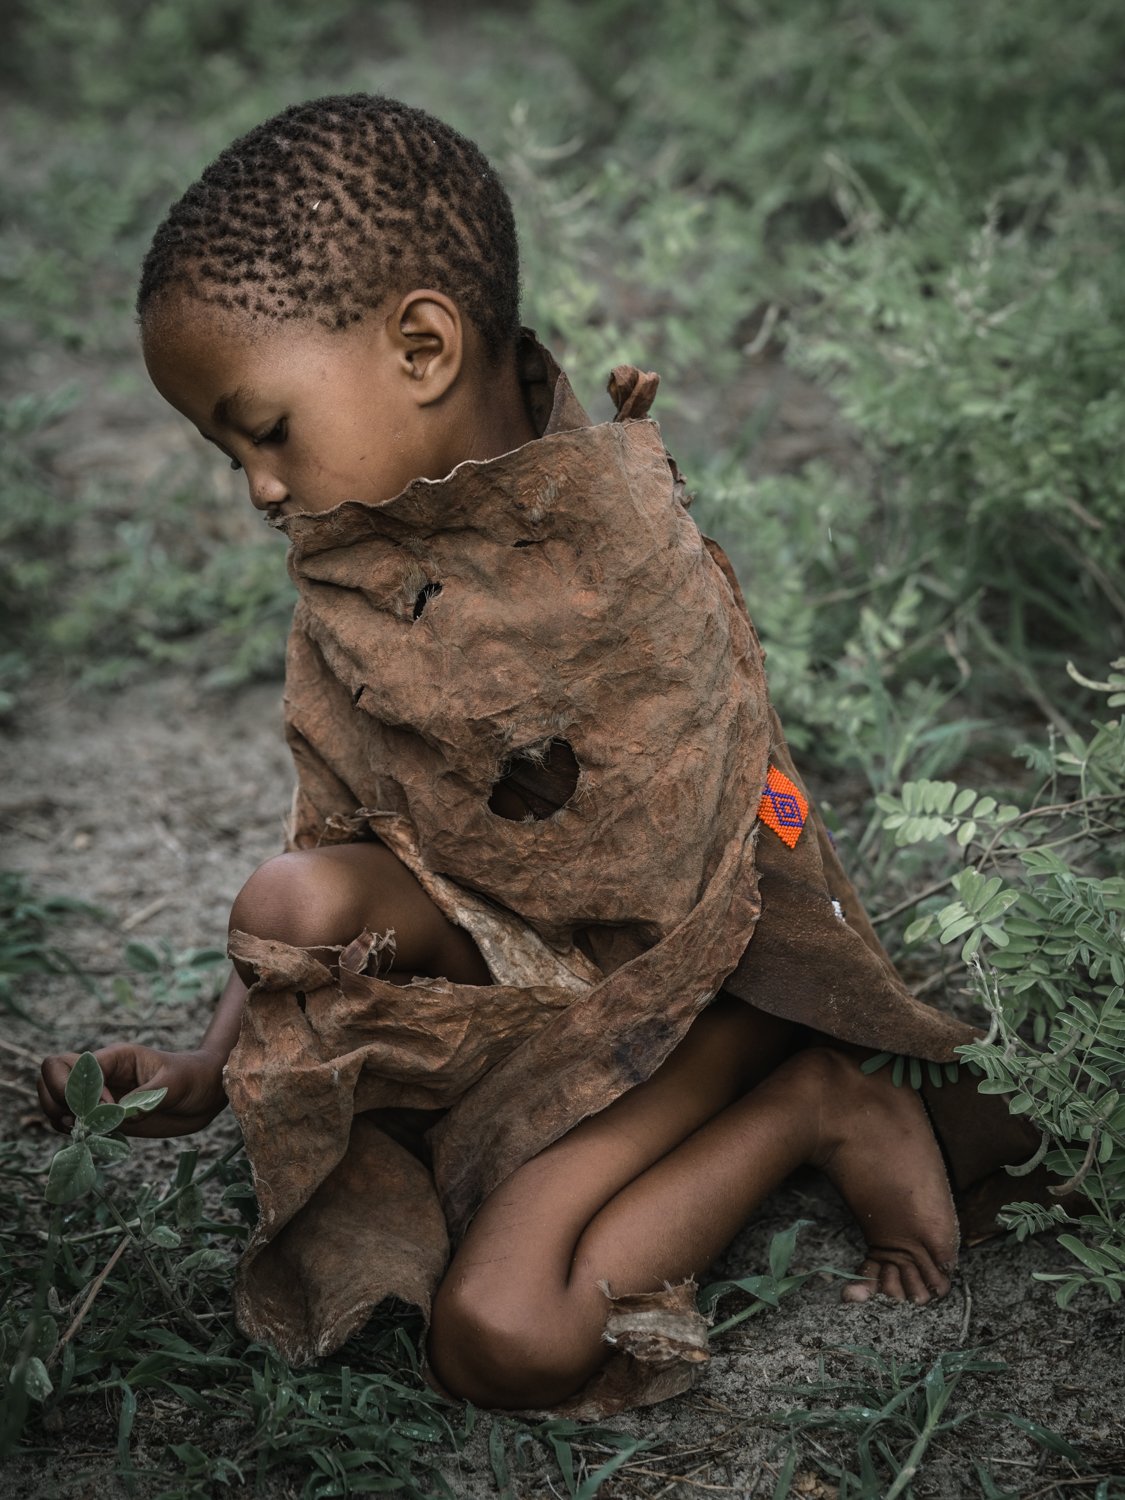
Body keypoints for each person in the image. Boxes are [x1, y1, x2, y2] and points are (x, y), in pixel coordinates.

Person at [38, 95, 1038, 1415]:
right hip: (532, 984)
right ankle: (524, 1112)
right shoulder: (369, 581)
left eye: (265, 430)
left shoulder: (611, 554)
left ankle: (817, 1103)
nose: (260, 490)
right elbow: (356, 838)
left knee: (504, 1338)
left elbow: (722, 870)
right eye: (227, 455)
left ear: (421, 345)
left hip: (700, 990)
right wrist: (204, 1066)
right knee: (296, 900)